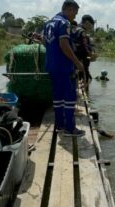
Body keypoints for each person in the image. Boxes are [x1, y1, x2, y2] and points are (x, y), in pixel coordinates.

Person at [43, 0, 85, 137]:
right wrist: (77, 62)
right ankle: (69, 128)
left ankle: (60, 125)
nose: (75, 17)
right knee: (69, 97)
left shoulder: (48, 23)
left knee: (58, 96)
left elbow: (45, 42)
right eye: (75, 13)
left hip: (52, 66)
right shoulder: (64, 23)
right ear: (69, 10)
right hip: (64, 66)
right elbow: (64, 45)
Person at [72, 15, 97, 92]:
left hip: (72, 60)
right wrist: (92, 55)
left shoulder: (74, 29)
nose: (91, 28)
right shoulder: (82, 32)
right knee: (83, 79)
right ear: (86, 23)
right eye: (91, 26)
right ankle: (84, 94)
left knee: (74, 79)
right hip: (79, 60)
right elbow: (84, 48)